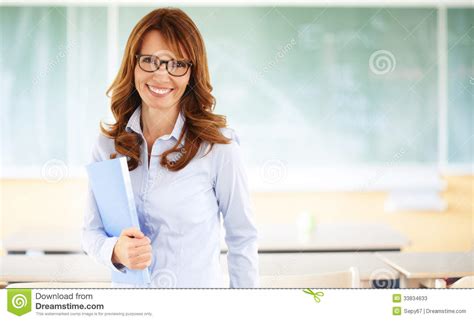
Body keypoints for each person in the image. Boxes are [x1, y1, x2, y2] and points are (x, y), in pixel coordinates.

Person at [82, 8, 259, 288]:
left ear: (192, 72)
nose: (161, 75)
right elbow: (91, 232)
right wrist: (115, 251)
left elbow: (243, 238)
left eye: (177, 64)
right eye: (150, 61)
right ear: (133, 65)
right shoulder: (107, 146)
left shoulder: (218, 147)